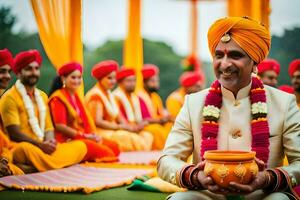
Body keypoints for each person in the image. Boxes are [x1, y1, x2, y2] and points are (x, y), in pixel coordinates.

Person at [158, 16, 300, 200]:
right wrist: (196, 176)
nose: (224, 64)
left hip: (262, 195)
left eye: (235, 55)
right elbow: (166, 160)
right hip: (208, 194)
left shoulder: (283, 102)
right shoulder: (193, 103)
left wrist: (267, 178)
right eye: (219, 55)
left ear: (255, 62)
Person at [0, 50, 87, 172]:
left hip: (42, 148)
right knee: (26, 149)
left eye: (36, 68)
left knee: (81, 146)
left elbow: (48, 128)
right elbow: (14, 134)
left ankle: (34, 167)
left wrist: (50, 143)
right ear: (19, 73)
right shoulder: (9, 98)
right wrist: (40, 145)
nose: (34, 72)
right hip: (21, 147)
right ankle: (47, 164)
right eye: (29, 69)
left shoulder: (42, 96)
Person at [48, 62, 119, 162]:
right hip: (67, 140)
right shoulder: (58, 98)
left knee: (115, 147)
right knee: (108, 154)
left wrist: (91, 135)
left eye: (79, 77)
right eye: (73, 77)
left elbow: (85, 122)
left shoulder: (76, 96)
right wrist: (84, 136)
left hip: (83, 135)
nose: (77, 81)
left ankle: (87, 154)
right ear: (63, 79)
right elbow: (60, 126)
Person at [85, 60, 153, 151]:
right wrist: (120, 127)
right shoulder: (95, 95)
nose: (113, 81)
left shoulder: (108, 94)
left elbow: (119, 117)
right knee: (127, 137)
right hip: (99, 131)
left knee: (146, 135)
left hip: (113, 129)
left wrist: (131, 128)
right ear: (101, 79)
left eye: (114, 78)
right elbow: (98, 122)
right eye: (109, 78)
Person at [113, 68, 166, 150]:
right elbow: (118, 118)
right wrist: (133, 127)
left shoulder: (135, 97)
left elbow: (142, 118)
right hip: (123, 128)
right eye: (128, 81)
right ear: (120, 83)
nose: (132, 83)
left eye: (134, 80)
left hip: (136, 127)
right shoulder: (116, 97)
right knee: (155, 130)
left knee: (153, 132)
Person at [0, 49, 24, 177]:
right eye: (2, 71)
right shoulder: (9, 98)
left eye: (9, 71)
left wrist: (4, 159)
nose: (8, 76)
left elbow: (4, 143)